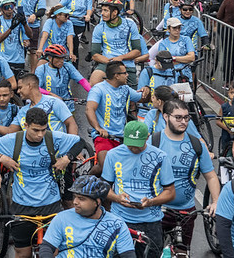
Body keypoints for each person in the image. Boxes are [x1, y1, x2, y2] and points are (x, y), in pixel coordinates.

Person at [0, 107, 85, 258]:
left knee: (53, 252)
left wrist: (66, 158)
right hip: (22, 206)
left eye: (43, 130)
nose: (40, 135)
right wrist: (2, 158)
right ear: (26, 125)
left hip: (51, 204)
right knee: (23, 253)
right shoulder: (14, 140)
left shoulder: (52, 137)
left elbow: (79, 142)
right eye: (36, 130)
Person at [101, 121, 176, 258]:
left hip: (151, 221)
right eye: (130, 144)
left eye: (138, 145)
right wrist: (117, 198)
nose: (133, 149)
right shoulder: (113, 155)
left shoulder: (160, 157)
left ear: (147, 137)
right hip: (121, 219)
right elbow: (105, 187)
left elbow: (170, 192)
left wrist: (151, 202)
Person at [152, 99, 220, 250]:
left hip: (186, 212)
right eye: (178, 117)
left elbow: (211, 176)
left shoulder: (197, 145)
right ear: (165, 117)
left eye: (186, 117)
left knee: (183, 251)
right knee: (154, 251)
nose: (183, 121)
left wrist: (215, 201)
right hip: (157, 209)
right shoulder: (153, 142)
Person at [39, 176, 136, 258]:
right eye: (74, 197)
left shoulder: (117, 224)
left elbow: (128, 254)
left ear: (97, 202)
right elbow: (46, 248)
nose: (75, 202)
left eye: (81, 199)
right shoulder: (61, 218)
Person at [88, 0, 143, 87]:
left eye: (105, 10)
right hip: (107, 63)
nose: (102, 13)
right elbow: (95, 54)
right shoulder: (99, 28)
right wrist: (111, 62)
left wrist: (121, 58)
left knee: (132, 98)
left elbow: (137, 51)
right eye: (102, 10)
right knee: (94, 82)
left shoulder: (130, 25)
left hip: (126, 64)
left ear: (115, 12)